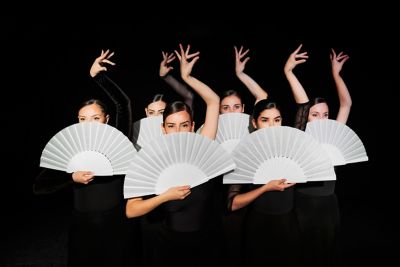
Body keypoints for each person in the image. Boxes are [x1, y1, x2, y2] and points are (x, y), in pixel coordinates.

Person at [34, 49, 136, 267]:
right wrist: (72, 177)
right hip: (83, 228)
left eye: (95, 118)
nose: (89, 123)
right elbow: (40, 186)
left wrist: (98, 77)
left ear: (106, 120)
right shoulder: (71, 149)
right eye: (83, 119)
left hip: (115, 224)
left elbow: (123, 104)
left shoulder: (116, 141)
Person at [125, 44, 222, 267]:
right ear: (163, 129)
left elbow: (214, 101)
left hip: (207, 243)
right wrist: (165, 196)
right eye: (171, 125)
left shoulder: (203, 148)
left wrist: (186, 76)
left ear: (192, 127)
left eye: (184, 125)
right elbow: (131, 210)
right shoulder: (153, 160)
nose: (178, 131)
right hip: (168, 245)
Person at [284, 44, 352, 266]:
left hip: (328, 204)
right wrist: (288, 72)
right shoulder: (300, 135)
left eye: (325, 114)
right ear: (307, 118)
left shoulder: (333, 135)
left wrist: (336, 74)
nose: (321, 119)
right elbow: (302, 103)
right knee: (304, 252)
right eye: (315, 114)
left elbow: (346, 103)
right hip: (304, 203)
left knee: (329, 252)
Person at [226, 99, 298, 266]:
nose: (272, 126)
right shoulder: (244, 153)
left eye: (277, 120)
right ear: (254, 123)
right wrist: (266, 188)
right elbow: (232, 204)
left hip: (288, 225)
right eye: (265, 120)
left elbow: (304, 107)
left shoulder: (292, 150)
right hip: (260, 228)